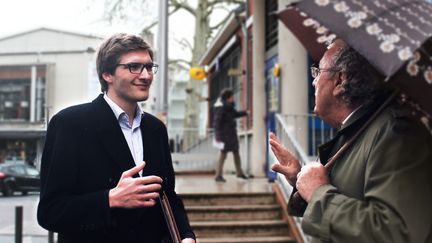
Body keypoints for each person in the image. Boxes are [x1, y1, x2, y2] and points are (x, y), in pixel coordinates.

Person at [37, 33, 196, 243]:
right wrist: (109, 199)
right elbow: (50, 211)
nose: (146, 75)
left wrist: (186, 235)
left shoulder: (155, 128)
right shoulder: (69, 124)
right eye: (134, 67)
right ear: (107, 75)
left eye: (149, 67)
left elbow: (167, 195)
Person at [270, 39, 432, 243]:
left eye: (317, 72)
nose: (314, 81)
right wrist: (300, 180)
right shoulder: (356, 131)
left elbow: (397, 233)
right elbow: (350, 199)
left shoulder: (397, 134)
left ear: (340, 80)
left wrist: (319, 194)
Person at [213, 88, 249, 182]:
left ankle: (239, 173)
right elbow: (217, 123)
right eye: (232, 97)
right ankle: (218, 175)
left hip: (231, 135)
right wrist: (218, 136)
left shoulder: (229, 107)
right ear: (228, 98)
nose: (233, 98)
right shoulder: (221, 108)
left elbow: (235, 114)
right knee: (223, 155)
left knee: (236, 153)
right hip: (224, 136)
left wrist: (245, 113)